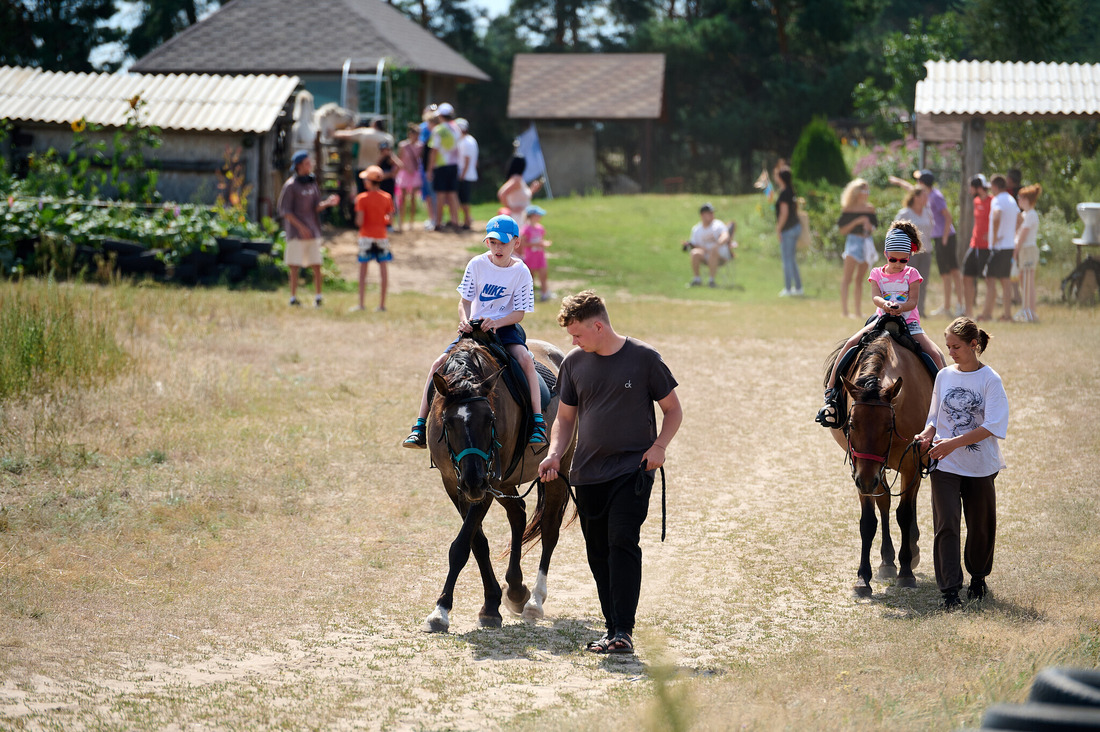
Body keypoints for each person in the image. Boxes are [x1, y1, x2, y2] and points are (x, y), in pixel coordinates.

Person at [538, 290, 683, 656]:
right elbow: (566, 418)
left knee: (622, 541)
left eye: (577, 334)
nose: (572, 341)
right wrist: (555, 455)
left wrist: (659, 447)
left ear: (598, 326)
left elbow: (673, 410)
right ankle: (611, 627)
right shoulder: (573, 363)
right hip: (586, 473)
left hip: (632, 469)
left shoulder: (645, 359)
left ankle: (623, 630)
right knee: (598, 551)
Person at [402, 215, 545, 448]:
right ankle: (419, 426)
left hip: (505, 329)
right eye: (493, 242)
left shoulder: (521, 271)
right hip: (475, 328)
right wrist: (465, 320)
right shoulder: (476, 264)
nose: (498, 248)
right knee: (438, 364)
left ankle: (538, 423)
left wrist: (496, 322)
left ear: (516, 243)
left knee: (525, 361)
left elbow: (519, 314)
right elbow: (464, 301)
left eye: (503, 243)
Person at [915, 317, 1008, 610]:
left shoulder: (990, 380)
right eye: (948, 347)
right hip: (944, 465)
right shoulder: (944, 376)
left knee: (980, 525)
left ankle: (978, 577)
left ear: (974, 344)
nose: (951, 352)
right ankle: (950, 591)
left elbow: (993, 425)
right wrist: (928, 432)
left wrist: (951, 443)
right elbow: (934, 415)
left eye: (956, 347)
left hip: (980, 465)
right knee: (946, 525)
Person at [816, 222, 946, 426]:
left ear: (909, 256)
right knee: (851, 343)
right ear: (886, 254)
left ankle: (947, 400)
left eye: (903, 260)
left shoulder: (912, 274)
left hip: (909, 322)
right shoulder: (877, 273)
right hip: (881, 319)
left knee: (936, 355)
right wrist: (886, 304)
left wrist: (900, 308)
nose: (898, 264)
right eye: (893, 259)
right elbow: (875, 297)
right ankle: (831, 393)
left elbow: (913, 301)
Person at [277, 150, 339, 307]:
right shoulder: (290, 186)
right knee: (294, 265)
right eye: (306, 163)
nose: (310, 165)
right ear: (298, 166)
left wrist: (328, 203)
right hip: (296, 234)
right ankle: (293, 297)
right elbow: (286, 212)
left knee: (316, 264)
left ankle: (318, 297)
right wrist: (301, 227)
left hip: (312, 231)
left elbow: (316, 207)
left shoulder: (312, 183)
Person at [918, 171, 965, 318]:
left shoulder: (936, 196)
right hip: (938, 238)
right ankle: (946, 306)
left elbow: (948, 216)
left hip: (947, 237)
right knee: (944, 274)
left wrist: (945, 238)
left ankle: (960, 305)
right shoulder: (926, 195)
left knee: (954, 271)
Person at [352, 165, 393, 312]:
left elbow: (360, 222)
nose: (364, 182)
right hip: (381, 237)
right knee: (383, 270)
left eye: (366, 179)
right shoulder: (387, 197)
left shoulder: (361, 198)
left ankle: (361, 304)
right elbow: (390, 220)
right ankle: (382, 305)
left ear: (370, 181)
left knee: (363, 271)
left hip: (366, 237)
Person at [837, 178, 878, 318]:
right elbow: (843, 230)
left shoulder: (870, 208)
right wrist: (858, 221)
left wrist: (869, 227)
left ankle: (858, 311)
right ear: (856, 192)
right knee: (847, 278)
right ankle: (845, 311)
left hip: (866, 241)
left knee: (860, 279)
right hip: (853, 242)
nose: (866, 193)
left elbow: (874, 227)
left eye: (868, 190)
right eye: (864, 190)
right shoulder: (848, 209)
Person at [982, 176, 1020, 323]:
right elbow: (1020, 219)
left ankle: (987, 313)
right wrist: (1011, 233)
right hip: (1009, 245)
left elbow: (997, 216)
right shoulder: (1011, 199)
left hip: (998, 247)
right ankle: (1007, 314)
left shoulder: (997, 200)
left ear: (995, 186)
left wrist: (995, 236)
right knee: (1005, 281)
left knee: (989, 278)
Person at [893, 187, 934, 315]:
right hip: (909, 253)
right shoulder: (905, 213)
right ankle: (904, 308)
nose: (926, 199)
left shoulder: (927, 212)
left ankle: (920, 310)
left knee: (923, 281)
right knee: (907, 282)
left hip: (925, 252)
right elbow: (895, 230)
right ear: (915, 197)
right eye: (923, 196)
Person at [333, 118, 394, 195]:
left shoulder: (364, 133)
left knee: (362, 194)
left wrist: (333, 132)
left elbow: (346, 135)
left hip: (362, 169)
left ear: (374, 124)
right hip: (377, 170)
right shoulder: (388, 138)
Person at [427, 102, 462, 232]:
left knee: (440, 194)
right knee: (452, 194)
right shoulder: (456, 128)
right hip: (454, 165)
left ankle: (438, 223)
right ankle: (455, 221)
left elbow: (434, 150)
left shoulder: (439, 129)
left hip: (441, 166)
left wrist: (430, 169)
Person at [962, 174, 993, 318]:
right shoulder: (976, 201)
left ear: (978, 187)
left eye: (971, 186)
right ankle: (969, 312)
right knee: (967, 276)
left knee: (988, 280)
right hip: (974, 245)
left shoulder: (992, 201)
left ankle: (987, 312)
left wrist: (991, 234)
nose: (969, 189)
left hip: (986, 247)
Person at [685, 202, 732, 288]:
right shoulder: (696, 229)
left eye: (712, 213)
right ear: (702, 215)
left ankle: (711, 281)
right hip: (705, 254)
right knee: (694, 253)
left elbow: (725, 236)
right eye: (709, 213)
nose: (712, 215)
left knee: (713, 252)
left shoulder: (718, 225)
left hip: (721, 254)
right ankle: (697, 279)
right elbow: (694, 244)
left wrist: (717, 245)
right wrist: (704, 249)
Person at [1014, 183, 1042, 322]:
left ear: (1026, 199)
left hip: (1028, 249)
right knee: (1024, 281)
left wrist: (1015, 251)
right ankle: (1026, 309)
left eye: (1020, 198)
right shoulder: (1024, 214)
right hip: (1023, 250)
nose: (1018, 200)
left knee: (1028, 280)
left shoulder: (1031, 214)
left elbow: (1023, 236)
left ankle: (1030, 310)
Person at [775, 169, 803, 297]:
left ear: (781, 178)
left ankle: (788, 288)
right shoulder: (791, 191)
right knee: (791, 260)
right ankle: (798, 287)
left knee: (787, 260)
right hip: (795, 227)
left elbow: (784, 213)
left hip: (788, 230)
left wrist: (779, 228)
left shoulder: (784, 193)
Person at [497, 155, 542, 227]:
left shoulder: (519, 179)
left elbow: (524, 196)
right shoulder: (516, 180)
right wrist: (511, 208)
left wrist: (533, 189)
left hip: (524, 216)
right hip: (518, 218)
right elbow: (502, 193)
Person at [521, 205, 553, 301]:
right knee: (531, 277)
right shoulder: (526, 229)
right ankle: (530, 295)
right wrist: (536, 243)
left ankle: (544, 293)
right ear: (532, 216)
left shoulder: (540, 228)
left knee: (543, 274)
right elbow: (523, 243)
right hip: (530, 256)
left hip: (540, 255)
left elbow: (541, 240)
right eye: (538, 215)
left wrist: (544, 244)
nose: (540, 217)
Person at [395, 123, 422, 232]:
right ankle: (401, 222)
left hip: (414, 173)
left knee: (413, 199)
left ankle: (411, 222)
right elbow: (399, 158)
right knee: (403, 198)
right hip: (404, 173)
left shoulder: (420, 146)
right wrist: (404, 168)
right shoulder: (403, 145)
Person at [418, 105, 439, 231]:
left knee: (434, 194)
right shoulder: (423, 129)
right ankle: (432, 218)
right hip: (425, 165)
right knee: (429, 195)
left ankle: (435, 218)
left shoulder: (437, 129)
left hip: (432, 166)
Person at [456, 118, 478, 231]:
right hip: (469, 174)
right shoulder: (470, 140)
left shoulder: (466, 142)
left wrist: (462, 175)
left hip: (465, 175)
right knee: (463, 199)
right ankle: (467, 219)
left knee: (464, 200)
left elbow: (467, 160)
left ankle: (467, 221)